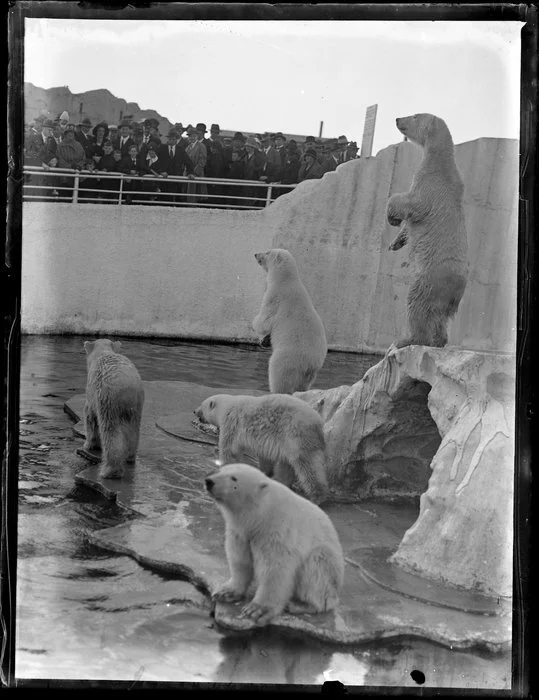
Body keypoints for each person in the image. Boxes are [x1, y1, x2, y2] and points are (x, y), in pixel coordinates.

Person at [157, 129, 195, 204]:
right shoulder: (161, 148)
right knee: (164, 199)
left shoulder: (180, 150)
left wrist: (190, 173)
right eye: (170, 139)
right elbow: (156, 161)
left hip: (176, 178)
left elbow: (189, 162)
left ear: (176, 140)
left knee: (176, 198)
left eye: (173, 139)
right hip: (164, 179)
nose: (171, 141)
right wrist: (161, 171)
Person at [185, 125, 208, 203]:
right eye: (190, 136)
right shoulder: (187, 147)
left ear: (197, 136)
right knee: (189, 194)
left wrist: (194, 172)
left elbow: (202, 160)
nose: (192, 137)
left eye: (194, 136)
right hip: (188, 174)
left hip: (197, 174)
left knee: (196, 194)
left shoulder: (201, 146)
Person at [243, 137, 266, 207]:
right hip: (245, 182)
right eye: (246, 146)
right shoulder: (244, 156)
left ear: (252, 147)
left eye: (248, 146)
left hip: (253, 183)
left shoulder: (258, 158)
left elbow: (260, 169)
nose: (246, 148)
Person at [205, 140, 227, 206]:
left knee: (213, 198)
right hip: (217, 181)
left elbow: (216, 169)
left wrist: (214, 180)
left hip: (214, 181)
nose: (211, 149)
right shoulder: (221, 156)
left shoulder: (216, 157)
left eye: (212, 147)